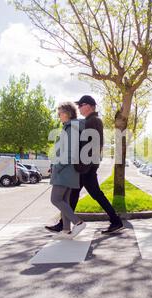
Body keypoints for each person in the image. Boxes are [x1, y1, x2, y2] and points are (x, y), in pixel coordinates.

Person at [46, 95, 124, 234]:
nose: (79, 108)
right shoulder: (88, 121)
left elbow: (94, 146)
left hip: (87, 167)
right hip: (86, 165)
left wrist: (83, 165)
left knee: (94, 194)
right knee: (74, 194)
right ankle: (64, 223)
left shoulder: (93, 121)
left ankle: (115, 220)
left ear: (89, 106)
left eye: (81, 105)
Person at [49, 102, 86, 240]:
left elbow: (70, 153)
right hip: (69, 171)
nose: (59, 116)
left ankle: (78, 222)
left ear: (67, 113)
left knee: (56, 199)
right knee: (64, 200)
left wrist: (57, 167)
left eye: (60, 113)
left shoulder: (71, 128)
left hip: (65, 171)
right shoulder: (71, 128)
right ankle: (66, 230)